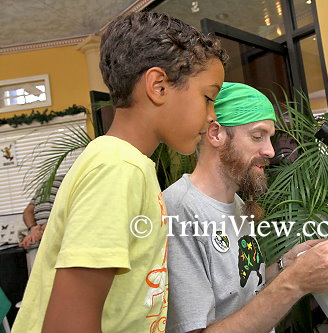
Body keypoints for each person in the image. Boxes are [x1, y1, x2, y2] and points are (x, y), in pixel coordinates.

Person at [12, 12, 227, 333]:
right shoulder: (118, 169)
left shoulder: (125, 164)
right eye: (208, 98)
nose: (212, 116)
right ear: (158, 86)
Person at [163, 82, 328, 333]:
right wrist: (294, 282)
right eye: (258, 136)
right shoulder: (179, 209)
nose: (270, 151)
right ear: (216, 134)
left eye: (269, 138)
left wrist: (286, 264)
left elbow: (243, 287)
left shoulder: (237, 204)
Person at [19, 174, 65, 249]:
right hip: (44, 239)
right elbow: (28, 212)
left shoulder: (48, 183)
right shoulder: (47, 184)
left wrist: (38, 229)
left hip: (57, 238)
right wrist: (33, 228)